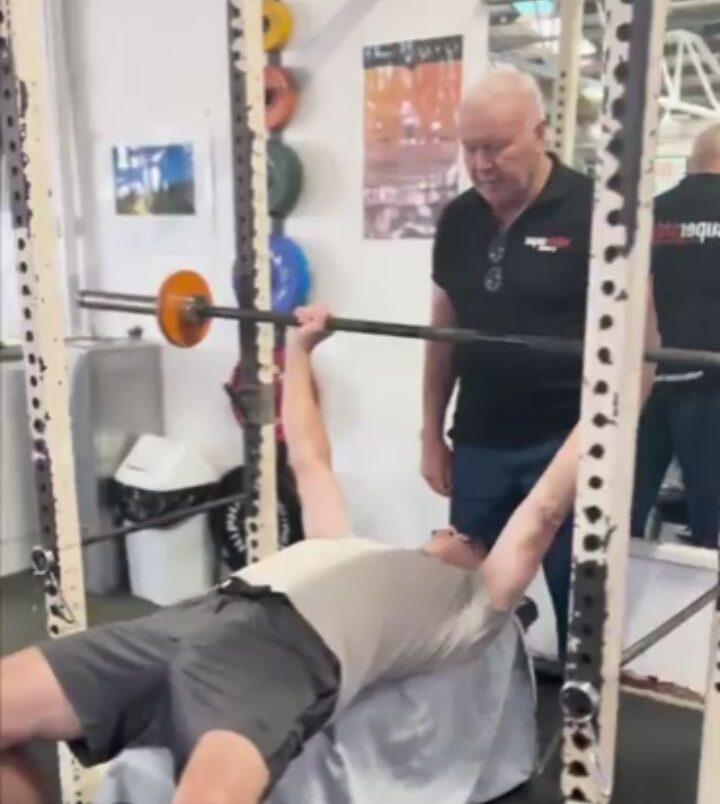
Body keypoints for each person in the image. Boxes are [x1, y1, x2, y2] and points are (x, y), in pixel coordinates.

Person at [0, 305, 582, 804]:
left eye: (465, 537)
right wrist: (301, 348)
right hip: (183, 623)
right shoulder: (348, 549)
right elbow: (308, 455)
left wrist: (616, 389)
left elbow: (543, 509)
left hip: (283, 657)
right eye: (445, 528)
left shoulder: (475, 608)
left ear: (479, 560)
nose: (449, 531)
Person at [421, 66, 658, 656]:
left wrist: (606, 446)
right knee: (464, 606)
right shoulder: (458, 219)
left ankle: (586, 740)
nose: (480, 165)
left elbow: (643, 350)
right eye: (469, 149)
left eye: (495, 147)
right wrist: (431, 431)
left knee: (581, 611)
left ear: (541, 133)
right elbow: (443, 329)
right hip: (478, 443)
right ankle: (468, 733)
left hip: (567, 445)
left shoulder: (600, 215)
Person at [631, 123, 720, 550]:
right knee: (712, 519)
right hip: (711, 386)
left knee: (621, 510)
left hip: (644, 380)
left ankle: (608, 607)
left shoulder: (649, 213)